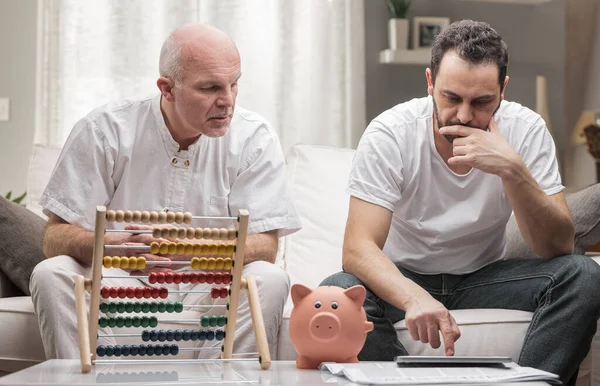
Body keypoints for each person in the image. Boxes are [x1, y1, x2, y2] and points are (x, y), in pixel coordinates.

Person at [321, 19, 600, 386]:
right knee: (340, 290)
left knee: (583, 275)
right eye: (451, 98)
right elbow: (357, 249)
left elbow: (558, 245)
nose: (465, 116)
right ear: (430, 83)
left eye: (482, 102)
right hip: (405, 274)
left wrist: (512, 170)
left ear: (503, 90)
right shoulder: (391, 133)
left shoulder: (527, 130)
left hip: (482, 277)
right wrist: (415, 298)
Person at [29, 23, 301, 360]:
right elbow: (53, 237)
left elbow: (265, 246)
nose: (228, 101)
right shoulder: (104, 130)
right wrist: (114, 246)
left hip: (209, 288)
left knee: (269, 278)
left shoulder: (254, 138)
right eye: (211, 88)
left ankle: (230, 381)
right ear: (167, 88)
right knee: (50, 274)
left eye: (234, 84)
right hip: (121, 281)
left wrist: (185, 249)